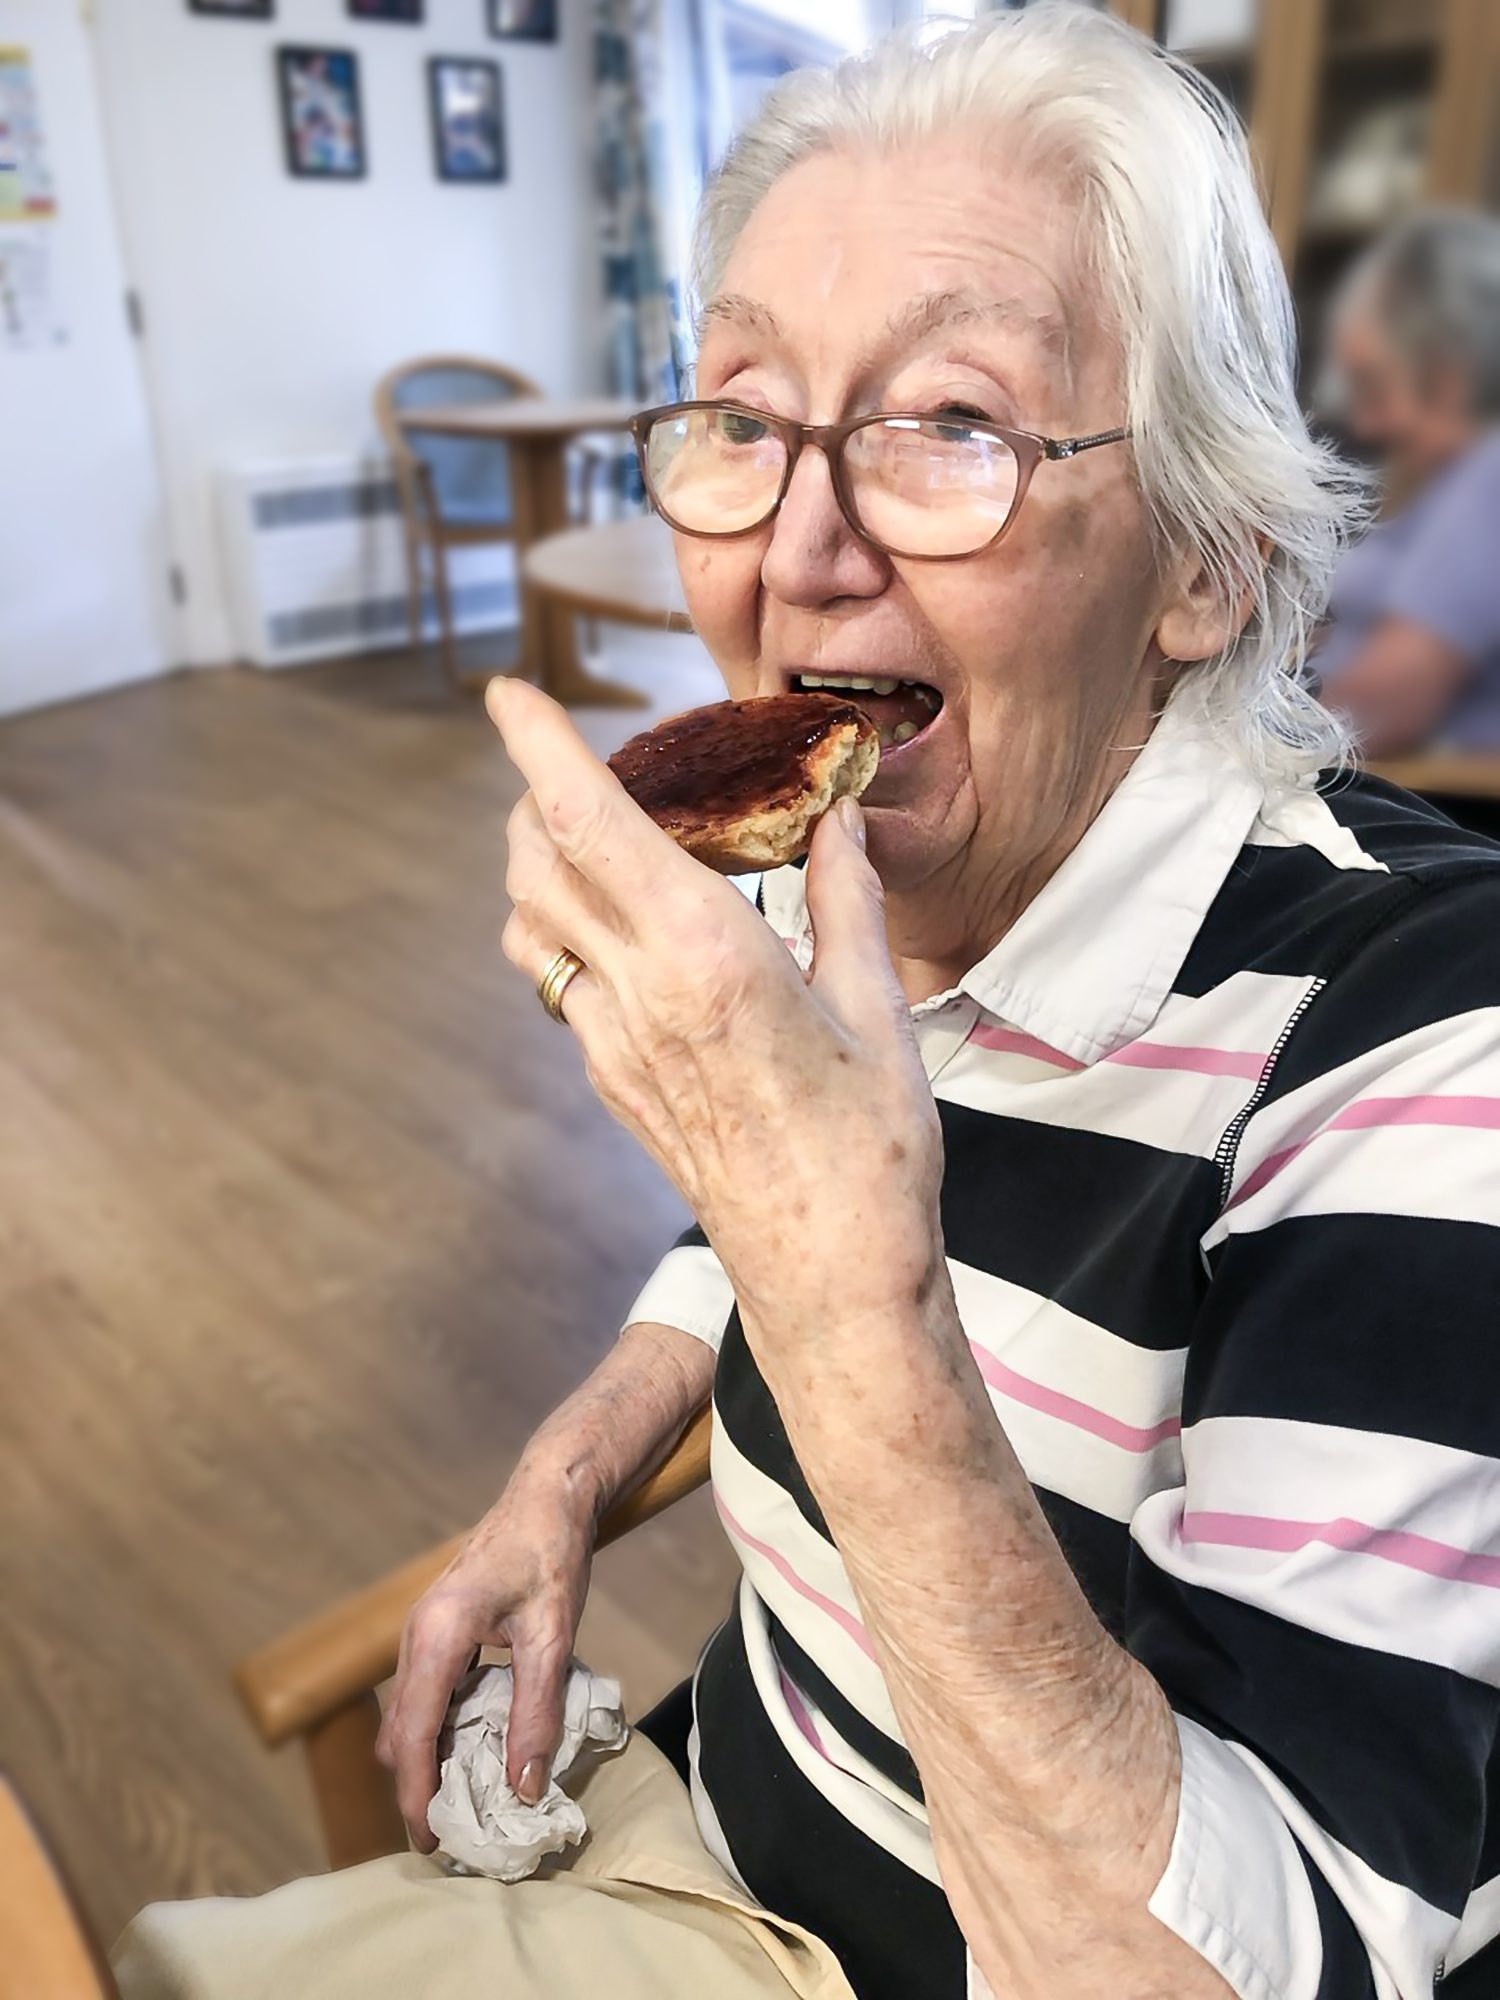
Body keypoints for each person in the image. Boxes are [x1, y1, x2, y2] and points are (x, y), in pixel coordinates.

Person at [116, 6, 1500, 1998]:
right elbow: (749, 1222)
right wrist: (580, 1453)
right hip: (703, 1812)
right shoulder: (860, 879)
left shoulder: (1421, 1042)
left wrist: (853, 1306)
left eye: (951, 419)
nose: (801, 543)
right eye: (745, 419)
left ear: (1206, 559)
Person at [1316, 207, 1500, 756]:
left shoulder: (1490, 484)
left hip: (1414, 803)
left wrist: (1228, 747)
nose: (1367, 425)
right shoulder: (1453, 494)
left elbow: (1392, 699)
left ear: (1447, 374)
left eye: (1374, 389)